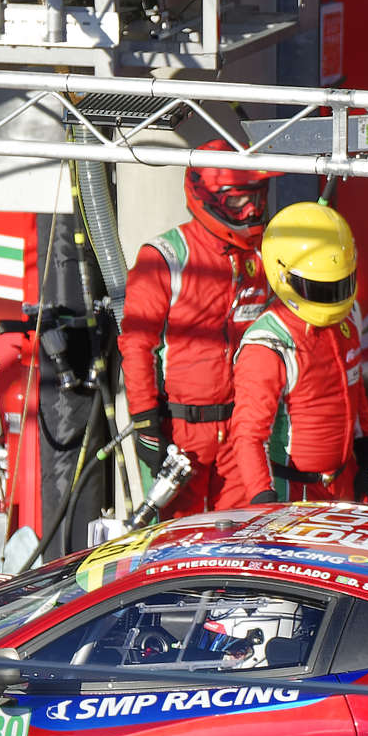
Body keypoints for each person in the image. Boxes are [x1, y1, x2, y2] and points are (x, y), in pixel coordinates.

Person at [119, 145, 273, 513]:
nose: (251, 212)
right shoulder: (165, 256)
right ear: (205, 197)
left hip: (244, 428)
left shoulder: (266, 252)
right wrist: (144, 422)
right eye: (239, 202)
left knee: (243, 536)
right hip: (181, 431)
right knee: (175, 541)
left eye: (257, 199)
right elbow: (136, 345)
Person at [228, 204, 368, 505]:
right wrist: (263, 498)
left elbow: (354, 385)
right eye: (321, 290)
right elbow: (248, 436)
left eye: (340, 286)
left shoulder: (349, 317)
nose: (334, 298)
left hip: (342, 485)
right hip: (291, 494)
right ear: (283, 275)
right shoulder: (267, 345)